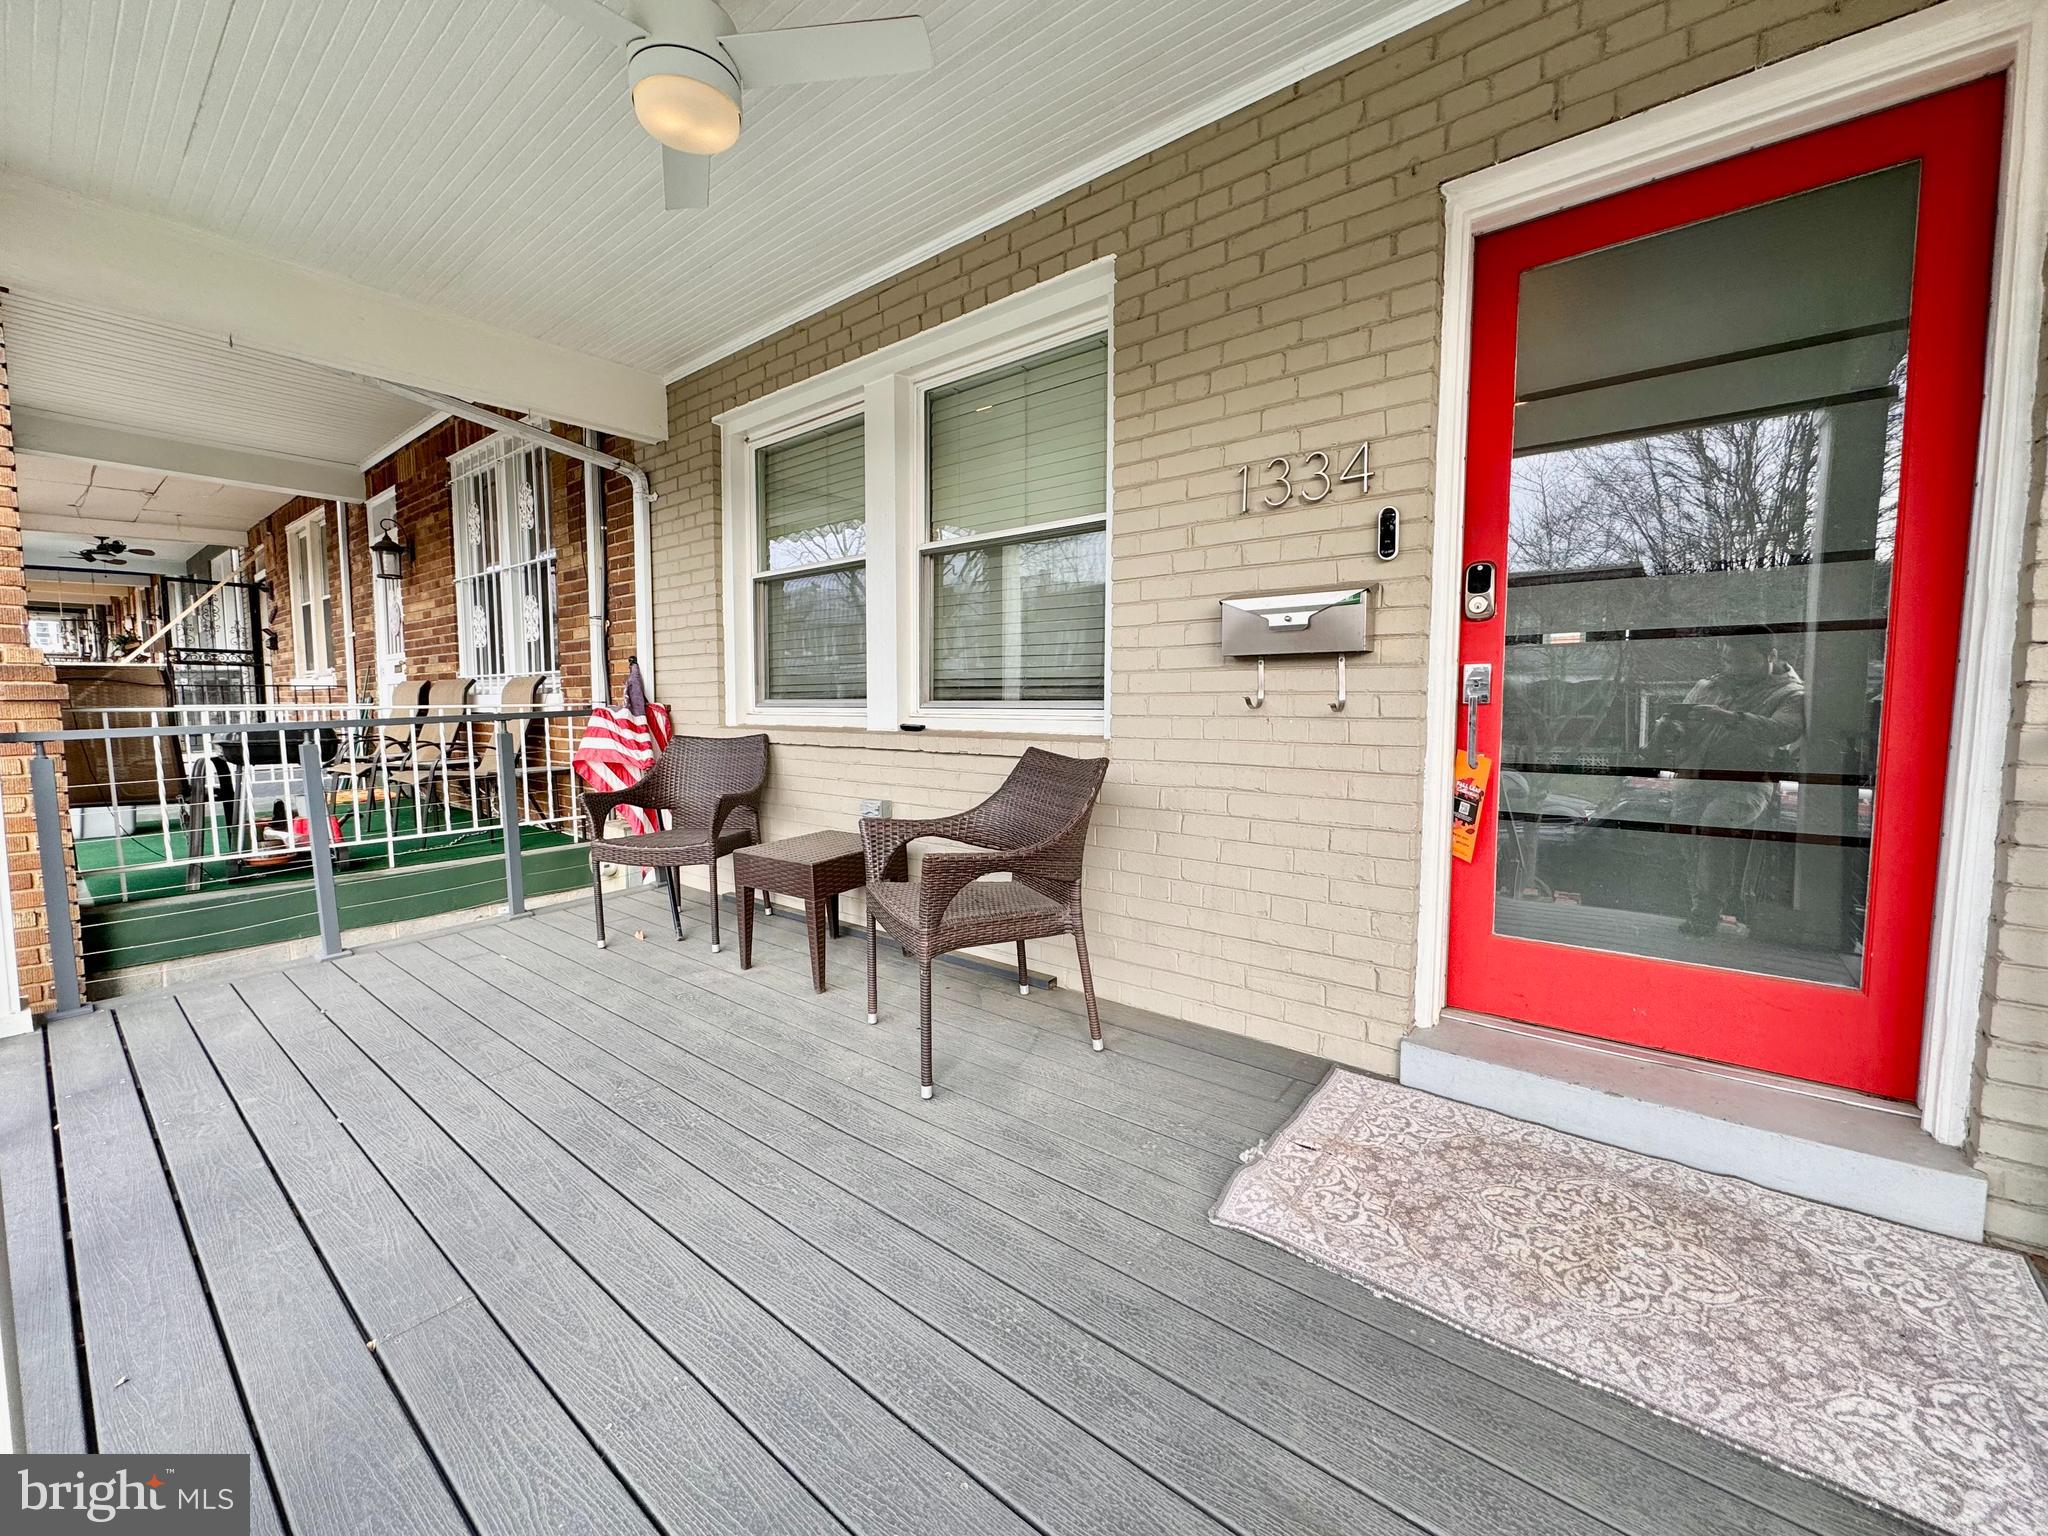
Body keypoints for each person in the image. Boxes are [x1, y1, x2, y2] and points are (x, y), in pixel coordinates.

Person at [1654, 633, 1806, 938]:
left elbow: (1783, 731)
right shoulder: (1706, 687)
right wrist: (1670, 729)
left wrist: (1730, 718)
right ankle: (1701, 905)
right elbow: (1683, 728)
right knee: (1687, 836)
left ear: (1771, 655)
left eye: (1743, 661)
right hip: (1694, 776)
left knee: (1714, 826)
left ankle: (1705, 912)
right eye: (1727, 660)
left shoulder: (1791, 694)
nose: (1734, 668)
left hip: (1745, 783)